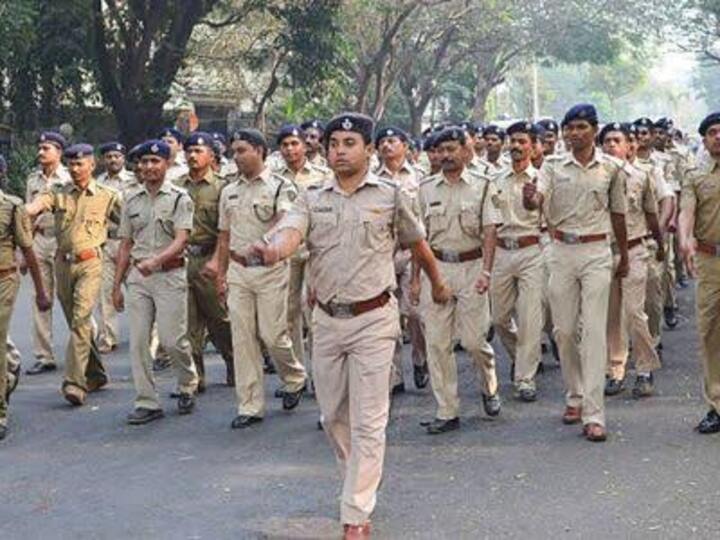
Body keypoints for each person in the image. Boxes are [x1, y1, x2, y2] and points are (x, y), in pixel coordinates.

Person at [248, 112, 450, 539]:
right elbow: (289, 233)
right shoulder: (310, 197)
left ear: (369, 150)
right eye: (334, 142)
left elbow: (418, 244)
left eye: (349, 143)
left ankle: (356, 512)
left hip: (375, 319)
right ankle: (358, 480)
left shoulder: (392, 195)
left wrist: (435, 282)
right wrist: (270, 251)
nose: (339, 150)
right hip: (327, 321)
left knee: (369, 420)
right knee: (332, 415)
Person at [523, 104, 629, 442]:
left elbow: (618, 214)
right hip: (561, 251)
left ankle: (594, 414)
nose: (573, 133)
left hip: (598, 251)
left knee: (595, 332)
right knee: (565, 330)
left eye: (580, 127)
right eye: (568, 128)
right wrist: (529, 200)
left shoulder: (611, 169)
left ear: (593, 130)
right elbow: (537, 198)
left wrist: (623, 254)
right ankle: (575, 394)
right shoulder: (552, 166)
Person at [215, 128, 308, 429]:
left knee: (272, 335)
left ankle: (294, 376)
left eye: (242, 150)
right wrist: (220, 272)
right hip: (239, 270)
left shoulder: (281, 186)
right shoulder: (228, 190)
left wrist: (266, 241)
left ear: (259, 150)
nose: (236, 156)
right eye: (234, 151)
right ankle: (250, 405)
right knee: (242, 339)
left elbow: (286, 221)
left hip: (270, 271)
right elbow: (224, 235)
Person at [411, 126, 501, 434]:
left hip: (472, 266)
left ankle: (489, 385)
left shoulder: (483, 185)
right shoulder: (425, 189)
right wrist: (415, 279)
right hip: (436, 268)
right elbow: (417, 239)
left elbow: (490, 231)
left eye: (452, 149)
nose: (447, 155)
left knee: (474, 341)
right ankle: (447, 410)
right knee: (437, 343)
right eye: (441, 150)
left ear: (465, 150)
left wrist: (487, 272)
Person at [25, 143, 121, 406]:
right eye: (71, 164)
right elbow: (36, 206)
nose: (75, 168)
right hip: (63, 265)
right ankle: (97, 374)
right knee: (75, 323)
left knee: (81, 320)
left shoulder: (107, 195)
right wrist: (25, 210)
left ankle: (74, 382)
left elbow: (129, 226)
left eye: (80, 164)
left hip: (91, 263)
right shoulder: (58, 192)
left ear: (92, 165)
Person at [112, 140, 199, 424]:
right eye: (144, 162)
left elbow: (182, 238)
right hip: (138, 278)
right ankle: (147, 401)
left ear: (167, 164)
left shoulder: (179, 198)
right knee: (138, 342)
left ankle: (187, 382)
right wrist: (116, 286)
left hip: (170, 275)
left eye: (154, 162)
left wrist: (157, 261)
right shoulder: (132, 200)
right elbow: (125, 244)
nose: (148, 167)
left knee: (173, 340)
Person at [600, 123, 663, 398]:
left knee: (634, 311)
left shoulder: (642, 176)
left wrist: (660, 245)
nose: (611, 145)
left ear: (630, 147)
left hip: (636, 249)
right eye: (607, 141)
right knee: (611, 315)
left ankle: (644, 368)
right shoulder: (596, 178)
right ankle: (615, 370)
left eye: (617, 140)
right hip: (604, 251)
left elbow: (651, 214)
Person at [174, 132, 235, 391]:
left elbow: (228, 230)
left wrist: (221, 264)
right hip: (183, 258)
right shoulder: (176, 187)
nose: (192, 155)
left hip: (212, 258)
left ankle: (234, 362)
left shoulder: (223, 188)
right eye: (188, 151)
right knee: (187, 322)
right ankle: (195, 376)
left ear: (211, 155)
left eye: (199, 151)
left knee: (219, 319)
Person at [491, 121, 545, 402]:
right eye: (512, 141)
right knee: (499, 318)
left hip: (531, 251)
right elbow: (488, 224)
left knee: (529, 318)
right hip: (502, 251)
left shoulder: (543, 179)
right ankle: (520, 357)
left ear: (533, 146)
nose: (515, 146)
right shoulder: (495, 180)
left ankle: (525, 377)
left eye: (522, 141)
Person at [274, 124, 332, 390]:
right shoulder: (274, 178)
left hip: (314, 252)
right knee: (288, 314)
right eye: (285, 145)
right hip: (286, 254)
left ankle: (321, 374)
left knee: (315, 314)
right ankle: (296, 376)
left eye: (294, 144)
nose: (290, 149)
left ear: (305, 146)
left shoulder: (322, 175)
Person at [374, 126, 429, 393]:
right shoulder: (373, 179)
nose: (387, 145)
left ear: (405, 146)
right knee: (388, 319)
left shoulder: (420, 178)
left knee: (416, 314)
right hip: (384, 255)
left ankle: (420, 359)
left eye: (392, 140)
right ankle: (394, 374)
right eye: (382, 142)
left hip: (411, 253)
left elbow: (423, 222)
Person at [0, 156, 51, 440]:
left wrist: (41, 291)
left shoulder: (12, 206)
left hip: (4, 278)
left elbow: (29, 250)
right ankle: (10, 366)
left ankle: (0, 411)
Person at [678, 112, 720, 434]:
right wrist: (684, 241)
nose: (718, 136)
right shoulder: (694, 175)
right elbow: (686, 212)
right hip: (710, 261)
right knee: (710, 332)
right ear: (704, 140)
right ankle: (716, 404)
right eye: (713, 133)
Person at [24, 131, 70, 375]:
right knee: (40, 298)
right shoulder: (33, 179)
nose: (41, 152)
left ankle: (86, 344)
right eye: (40, 148)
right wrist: (25, 249)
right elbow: (27, 217)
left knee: (69, 297)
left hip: (62, 241)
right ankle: (44, 355)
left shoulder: (69, 176)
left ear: (59, 152)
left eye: (46, 148)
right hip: (40, 239)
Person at [95, 142, 137, 354]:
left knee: (138, 289)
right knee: (105, 292)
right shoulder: (97, 182)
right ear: (103, 160)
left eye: (117, 156)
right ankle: (107, 337)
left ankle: (147, 336)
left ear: (123, 159)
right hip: (106, 241)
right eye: (109, 156)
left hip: (129, 242)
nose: (113, 160)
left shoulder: (134, 181)